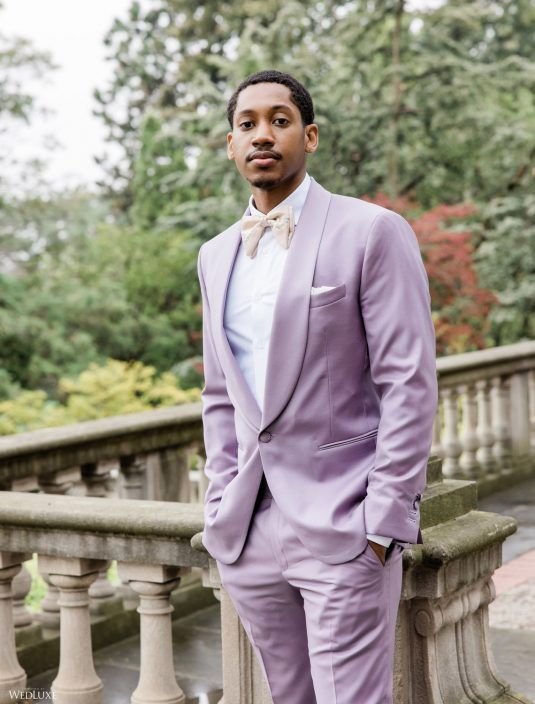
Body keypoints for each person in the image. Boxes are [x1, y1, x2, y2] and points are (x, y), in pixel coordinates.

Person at [196, 69, 438, 704]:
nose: (263, 135)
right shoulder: (214, 254)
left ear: (310, 135)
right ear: (230, 144)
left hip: (344, 524)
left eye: (280, 120)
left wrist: (383, 524)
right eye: (247, 124)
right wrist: (221, 505)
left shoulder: (371, 231)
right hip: (249, 530)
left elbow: (408, 383)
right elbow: (220, 395)